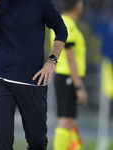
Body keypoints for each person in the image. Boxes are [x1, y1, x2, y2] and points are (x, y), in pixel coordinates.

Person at [0, 0, 68, 149]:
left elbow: (61, 30)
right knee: (2, 140)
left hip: (32, 79)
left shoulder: (41, 2)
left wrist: (52, 61)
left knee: (38, 142)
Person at [50, 0, 87, 150]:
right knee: (65, 120)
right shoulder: (67, 24)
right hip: (67, 77)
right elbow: (70, 58)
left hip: (67, 77)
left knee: (69, 120)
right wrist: (79, 86)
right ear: (78, 6)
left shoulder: (66, 22)